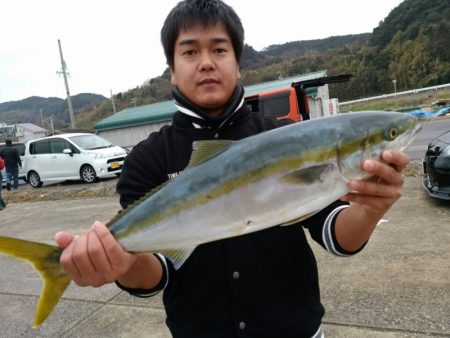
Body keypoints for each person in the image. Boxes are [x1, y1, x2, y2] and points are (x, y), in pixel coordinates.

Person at [54, 1, 410, 337]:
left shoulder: (283, 138)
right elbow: (157, 271)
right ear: (172, 72)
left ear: (238, 64)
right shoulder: (148, 159)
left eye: (220, 49)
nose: (206, 62)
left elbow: (336, 235)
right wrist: (122, 263)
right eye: (190, 51)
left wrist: (368, 209)